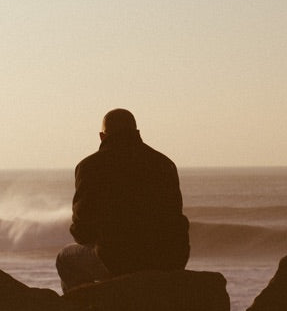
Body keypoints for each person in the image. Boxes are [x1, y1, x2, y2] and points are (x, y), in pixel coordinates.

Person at [56, 108, 190, 293]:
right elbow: (175, 214)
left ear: (102, 137)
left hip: (119, 259)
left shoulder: (90, 167)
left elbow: (81, 230)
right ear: (137, 132)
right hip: (169, 258)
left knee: (65, 259)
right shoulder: (164, 164)